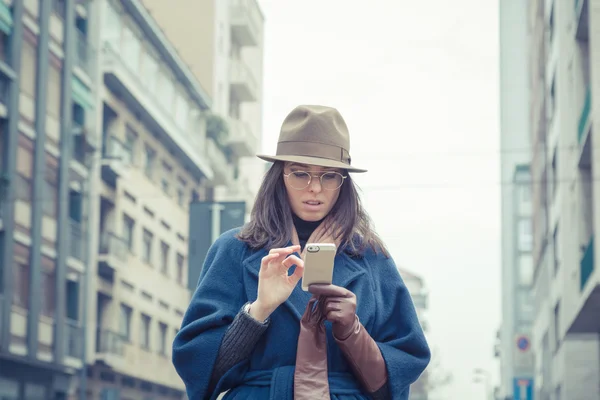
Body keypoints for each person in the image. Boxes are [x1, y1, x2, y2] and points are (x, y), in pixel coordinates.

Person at [172, 105, 431, 400]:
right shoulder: (235, 249)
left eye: (329, 176)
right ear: (279, 176)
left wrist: (351, 331)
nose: (315, 189)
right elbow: (197, 368)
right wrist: (258, 311)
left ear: (343, 182)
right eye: (300, 174)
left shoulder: (372, 258)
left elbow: (398, 377)